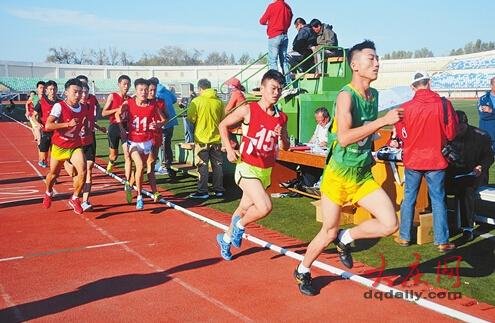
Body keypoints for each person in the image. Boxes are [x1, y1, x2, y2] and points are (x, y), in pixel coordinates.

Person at [293, 40, 403, 296]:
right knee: (328, 230)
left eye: (377, 59)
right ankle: (303, 269)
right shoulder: (345, 96)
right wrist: (382, 122)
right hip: (338, 176)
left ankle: (347, 238)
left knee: (390, 224)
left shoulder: (373, 95)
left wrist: (383, 127)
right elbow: (343, 137)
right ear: (355, 65)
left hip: (362, 175)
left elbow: (366, 132)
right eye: (371, 58)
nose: (377, 63)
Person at [216, 69, 290, 261]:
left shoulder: (281, 117)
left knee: (242, 209)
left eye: (279, 89)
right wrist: (230, 149)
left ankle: (224, 239)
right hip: (246, 167)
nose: (276, 93)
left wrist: (281, 134)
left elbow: (286, 146)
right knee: (265, 207)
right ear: (262, 88)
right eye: (273, 88)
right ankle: (240, 226)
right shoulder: (248, 109)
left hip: (265, 170)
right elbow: (222, 125)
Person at [395, 71, 458, 252]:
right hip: (436, 159)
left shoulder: (405, 107)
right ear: (429, 83)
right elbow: (451, 133)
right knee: (438, 199)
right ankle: (442, 240)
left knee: (409, 198)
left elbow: (401, 135)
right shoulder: (444, 105)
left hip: (413, 159)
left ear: (413, 87)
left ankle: (404, 236)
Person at [116, 78, 165, 210]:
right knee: (139, 166)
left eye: (146, 90)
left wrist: (157, 124)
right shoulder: (129, 103)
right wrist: (121, 129)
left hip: (148, 142)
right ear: (136, 91)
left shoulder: (153, 105)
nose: (144, 92)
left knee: (142, 169)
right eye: (141, 90)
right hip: (133, 142)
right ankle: (139, 197)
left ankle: (129, 186)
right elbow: (117, 114)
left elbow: (163, 120)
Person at [445, 111, 494, 241]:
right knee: (435, 187)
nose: (457, 130)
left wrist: (481, 166)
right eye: (454, 126)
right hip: (452, 173)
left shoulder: (481, 135)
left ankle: (467, 228)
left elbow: (489, 156)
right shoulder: (447, 134)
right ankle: (442, 223)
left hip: (474, 174)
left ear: (465, 124)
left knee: (466, 189)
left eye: (460, 127)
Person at [41, 78, 86, 214]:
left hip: (75, 145)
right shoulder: (59, 106)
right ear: (67, 92)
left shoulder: (83, 107)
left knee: (83, 171)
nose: (78, 95)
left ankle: (75, 198)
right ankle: (48, 192)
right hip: (59, 146)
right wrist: (67, 124)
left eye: (80, 92)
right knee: (53, 175)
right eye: (75, 92)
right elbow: (48, 126)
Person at [187, 79, 225, 199]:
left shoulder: (197, 101)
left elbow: (191, 118)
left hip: (201, 139)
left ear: (200, 89)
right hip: (216, 138)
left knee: (202, 165)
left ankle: (203, 191)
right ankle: (219, 189)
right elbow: (222, 119)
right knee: (217, 165)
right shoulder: (219, 102)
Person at [279, 107, 330, 191]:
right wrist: (308, 145)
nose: (319, 123)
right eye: (317, 120)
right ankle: (302, 182)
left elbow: (333, 141)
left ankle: (310, 184)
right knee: (303, 160)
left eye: (321, 120)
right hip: (315, 150)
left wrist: (325, 143)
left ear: (326, 118)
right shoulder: (319, 126)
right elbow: (314, 137)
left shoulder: (333, 126)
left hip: (324, 152)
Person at [101, 75, 131, 172]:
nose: (126, 86)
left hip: (125, 127)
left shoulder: (130, 99)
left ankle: (128, 180)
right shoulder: (113, 96)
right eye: (124, 84)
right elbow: (104, 113)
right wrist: (116, 110)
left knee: (127, 154)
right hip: (114, 127)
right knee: (114, 155)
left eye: (128, 84)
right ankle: (111, 162)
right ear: (119, 84)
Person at [259, 0, 293, 84]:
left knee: (273, 61)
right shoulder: (288, 8)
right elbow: (290, 20)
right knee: (284, 61)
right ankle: (288, 82)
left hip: (274, 35)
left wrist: (270, 23)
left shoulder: (272, 6)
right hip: (285, 35)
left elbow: (262, 21)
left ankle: (275, 82)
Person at [146, 78, 168, 201]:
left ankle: (154, 191)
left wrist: (159, 124)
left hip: (156, 136)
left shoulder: (160, 102)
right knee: (140, 165)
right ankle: (132, 183)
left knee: (151, 163)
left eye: (154, 90)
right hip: (141, 138)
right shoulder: (137, 102)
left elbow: (166, 117)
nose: (152, 92)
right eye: (150, 90)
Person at [152, 78, 178, 178]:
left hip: (161, 122)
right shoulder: (166, 90)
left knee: (159, 145)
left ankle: (164, 165)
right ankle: (168, 164)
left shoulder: (155, 94)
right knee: (167, 144)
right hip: (171, 120)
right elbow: (174, 99)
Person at [33, 80, 59, 168]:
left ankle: (53, 173)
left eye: (54, 89)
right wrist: (37, 123)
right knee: (43, 155)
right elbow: (33, 115)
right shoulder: (41, 102)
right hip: (46, 130)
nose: (52, 91)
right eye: (50, 89)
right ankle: (43, 160)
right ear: (46, 91)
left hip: (57, 131)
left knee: (55, 153)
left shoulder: (60, 102)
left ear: (57, 90)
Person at [224, 77, 247, 150]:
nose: (228, 88)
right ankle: (234, 145)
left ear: (233, 86)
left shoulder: (236, 93)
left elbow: (228, 109)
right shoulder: (240, 93)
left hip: (240, 119)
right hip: (242, 117)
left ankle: (233, 145)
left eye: (229, 86)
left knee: (225, 126)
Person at [478, 77, 495, 153]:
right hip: (489, 133)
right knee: (488, 158)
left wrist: (492, 110)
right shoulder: (483, 99)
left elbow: (489, 114)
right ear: (491, 85)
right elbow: (483, 116)